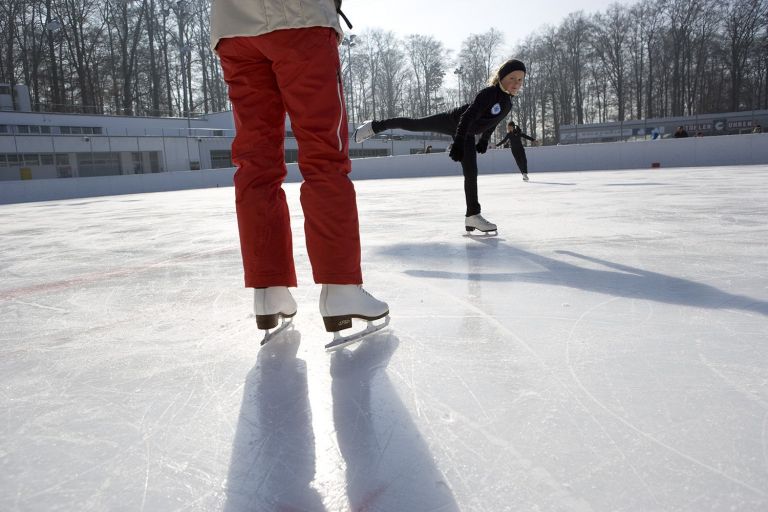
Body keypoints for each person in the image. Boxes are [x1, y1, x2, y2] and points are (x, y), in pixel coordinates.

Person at [210, 0, 389, 345]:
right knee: (325, 157)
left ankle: (269, 289)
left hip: (234, 26)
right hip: (299, 16)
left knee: (255, 163)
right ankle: (340, 288)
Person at [354, 59, 527, 234]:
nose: (516, 83)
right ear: (501, 77)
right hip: (453, 121)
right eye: (512, 78)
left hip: (467, 133)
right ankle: (375, 126)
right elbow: (467, 118)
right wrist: (458, 142)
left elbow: (492, 122)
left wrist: (484, 140)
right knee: (415, 125)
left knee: (471, 171)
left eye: (520, 79)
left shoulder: (508, 103)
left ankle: (472, 216)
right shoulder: (489, 94)